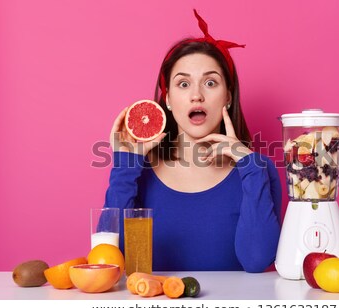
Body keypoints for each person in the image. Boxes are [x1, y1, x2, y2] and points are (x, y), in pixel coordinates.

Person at [104, 10, 281, 272]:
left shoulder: (258, 169)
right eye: (183, 84)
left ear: (228, 96)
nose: (196, 95)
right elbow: (111, 260)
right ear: (167, 99)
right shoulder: (137, 172)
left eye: (210, 82)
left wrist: (250, 166)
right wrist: (125, 165)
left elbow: (256, 261)